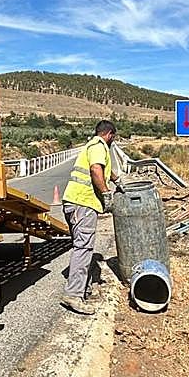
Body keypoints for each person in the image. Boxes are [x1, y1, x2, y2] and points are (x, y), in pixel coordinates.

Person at [59, 120, 119, 314]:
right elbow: (96, 169)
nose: (112, 142)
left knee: (81, 246)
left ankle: (81, 288)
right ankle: (73, 295)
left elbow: (104, 170)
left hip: (74, 203)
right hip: (82, 203)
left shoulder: (91, 145)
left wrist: (116, 179)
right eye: (113, 138)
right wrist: (106, 193)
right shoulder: (99, 145)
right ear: (109, 134)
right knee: (83, 247)